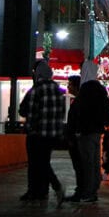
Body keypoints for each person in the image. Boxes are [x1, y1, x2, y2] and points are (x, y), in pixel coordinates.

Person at [18, 60, 66, 205]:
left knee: (36, 163)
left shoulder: (36, 90)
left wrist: (30, 128)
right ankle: (42, 191)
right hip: (52, 135)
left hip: (37, 134)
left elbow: (28, 112)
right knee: (44, 161)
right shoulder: (58, 90)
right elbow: (62, 113)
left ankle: (50, 187)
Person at [67, 60, 109, 204]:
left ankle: (88, 192)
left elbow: (82, 112)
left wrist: (79, 129)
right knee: (93, 162)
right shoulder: (100, 89)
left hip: (86, 132)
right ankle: (92, 190)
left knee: (87, 162)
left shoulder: (86, 90)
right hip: (96, 131)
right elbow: (106, 111)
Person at [64, 75, 83, 197]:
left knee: (79, 166)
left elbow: (75, 122)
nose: (68, 87)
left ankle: (81, 190)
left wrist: (72, 137)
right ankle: (81, 189)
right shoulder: (78, 101)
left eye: (70, 84)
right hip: (75, 138)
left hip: (76, 139)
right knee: (79, 166)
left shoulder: (78, 103)